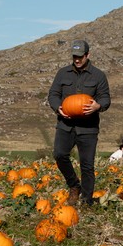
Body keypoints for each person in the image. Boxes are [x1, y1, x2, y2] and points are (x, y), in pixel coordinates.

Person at [48, 39, 111, 207]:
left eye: (80, 57)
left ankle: (86, 201)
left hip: (88, 128)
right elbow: (53, 94)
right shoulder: (63, 73)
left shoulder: (98, 76)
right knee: (59, 155)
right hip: (65, 125)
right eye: (74, 56)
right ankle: (74, 185)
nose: (77, 60)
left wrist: (98, 106)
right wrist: (57, 107)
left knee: (87, 165)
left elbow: (105, 98)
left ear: (87, 55)